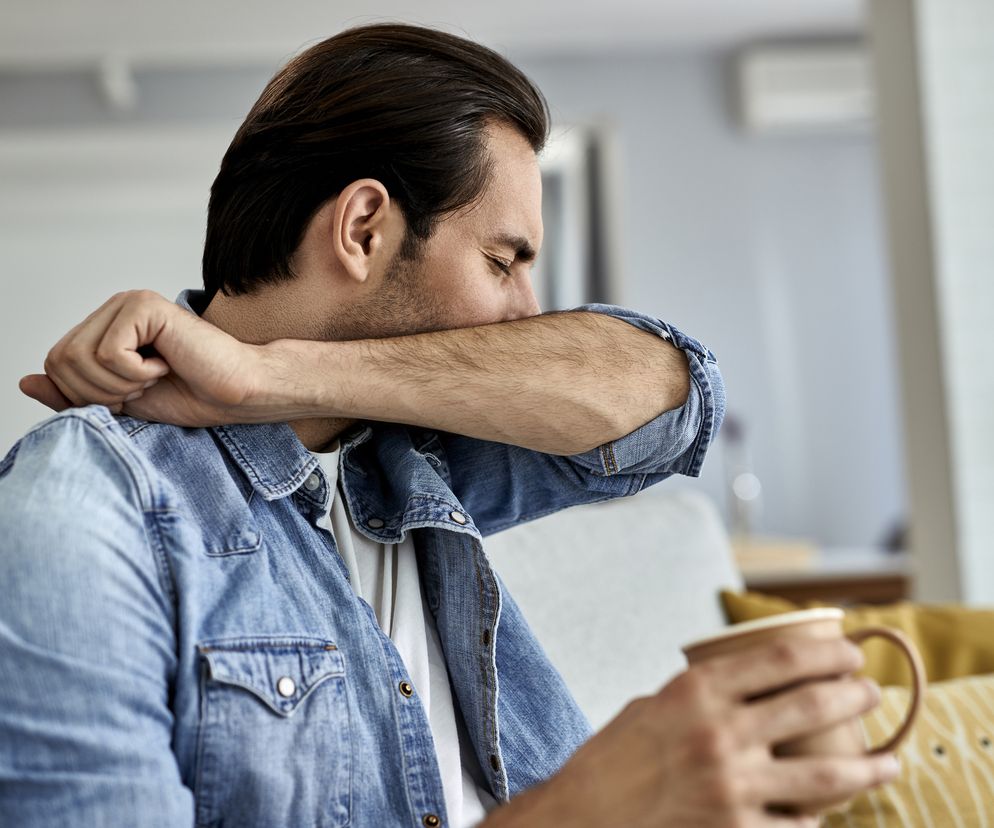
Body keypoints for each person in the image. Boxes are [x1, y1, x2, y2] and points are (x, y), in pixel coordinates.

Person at [0, 23, 898, 828]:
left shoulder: (413, 453)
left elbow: (675, 398)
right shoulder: (86, 501)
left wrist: (265, 374)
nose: (528, 309)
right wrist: (592, 808)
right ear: (362, 228)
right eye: (502, 261)